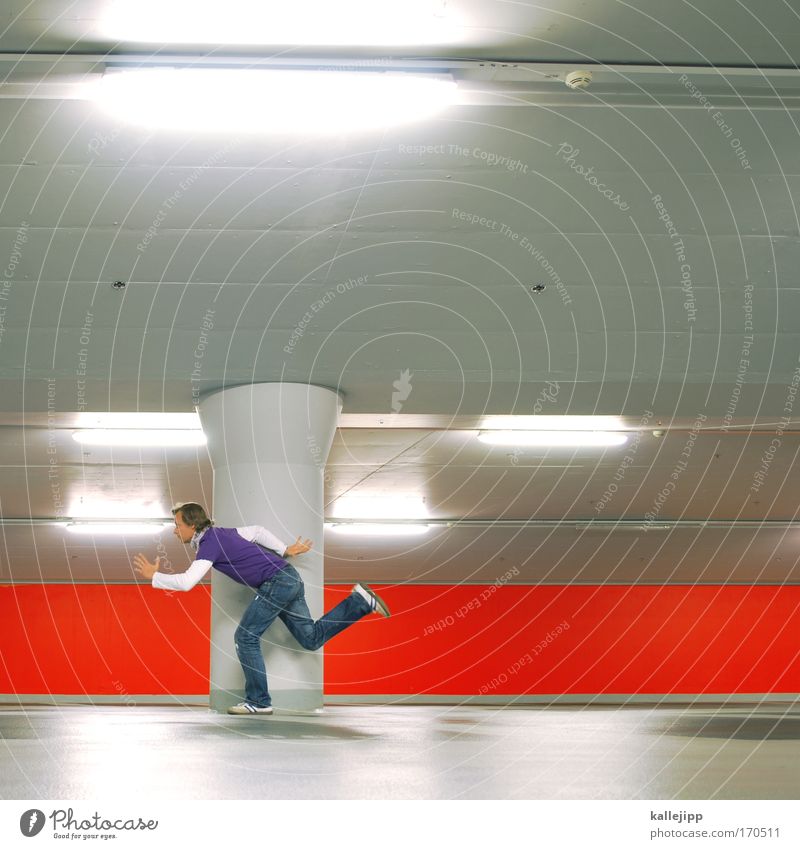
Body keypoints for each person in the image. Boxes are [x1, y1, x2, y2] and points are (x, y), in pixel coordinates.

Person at [133, 502, 389, 716]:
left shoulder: (210, 542)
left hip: (277, 582)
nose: (175, 530)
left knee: (245, 637)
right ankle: (359, 602)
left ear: (192, 524)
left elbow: (187, 583)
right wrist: (284, 550)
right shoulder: (224, 533)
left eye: (177, 525)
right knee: (310, 639)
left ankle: (258, 701)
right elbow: (257, 531)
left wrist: (154, 577)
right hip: (289, 578)